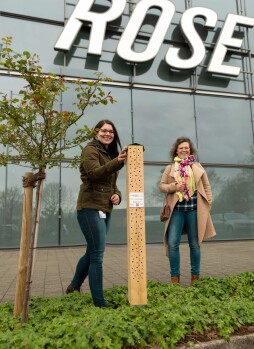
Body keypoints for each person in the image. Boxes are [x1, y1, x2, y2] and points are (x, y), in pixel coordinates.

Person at [66, 119, 127, 307]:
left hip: (104, 208)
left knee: (92, 252)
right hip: (89, 207)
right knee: (97, 256)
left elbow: (111, 185)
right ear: (96, 132)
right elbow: (94, 174)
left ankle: (73, 287)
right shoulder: (90, 150)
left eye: (111, 131)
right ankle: (100, 303)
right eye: (104, 131)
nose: (107, 134)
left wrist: (117, 195)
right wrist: (118, 162)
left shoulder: (108, 154)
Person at [159, 137, 216, 285]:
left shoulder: (197, 166)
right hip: (176, 211)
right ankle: (175, 280)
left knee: (195, 244)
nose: (184, 150)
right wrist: (174, 187)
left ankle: (195, 279)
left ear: (190, 150)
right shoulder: (170, 168)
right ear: (176, 151)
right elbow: (162, 186)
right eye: (181, 148)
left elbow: (207, 187)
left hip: (194, 211)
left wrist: (208, 204)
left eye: (186, 147)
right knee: (172, 244)